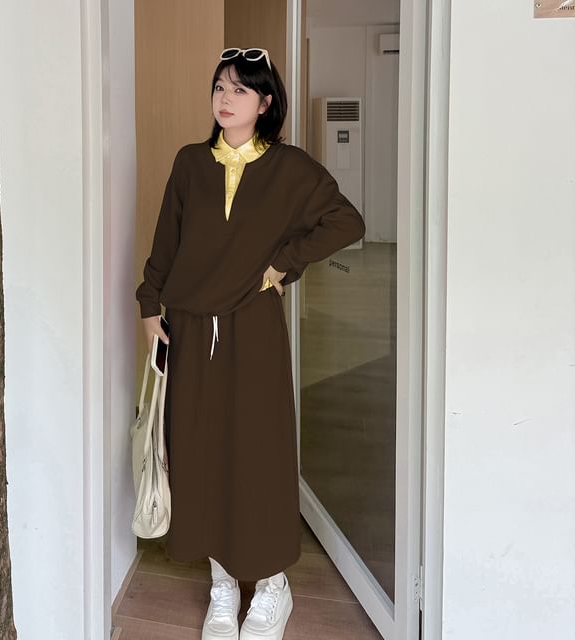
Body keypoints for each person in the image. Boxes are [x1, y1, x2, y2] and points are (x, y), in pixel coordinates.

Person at [136, 47, 365, 640]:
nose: (225, 97)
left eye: (240, 89)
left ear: (265, 103)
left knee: (258, 453)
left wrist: (284, 264)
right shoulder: (190, 162)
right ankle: (221, 583)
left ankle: (269, 586)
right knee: (199, 450)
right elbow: (166, 240)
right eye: (220, 86)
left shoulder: (290, 168)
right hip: (190, 326)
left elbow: (347, 222)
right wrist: (149, 303)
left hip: (254, 326)